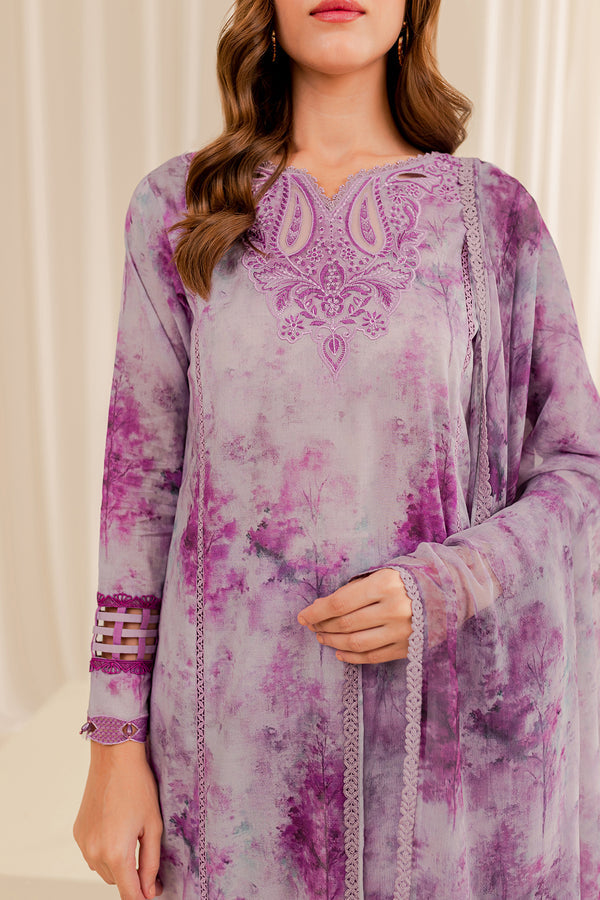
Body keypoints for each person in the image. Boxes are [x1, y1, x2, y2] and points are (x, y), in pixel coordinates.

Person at [73, 0, 600, 896]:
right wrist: (114, 745)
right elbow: (139, 492)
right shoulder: (182, 208)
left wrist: (448, 582)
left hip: (442, 766)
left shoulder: (489, 216)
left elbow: (579, 468)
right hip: (230, 761)